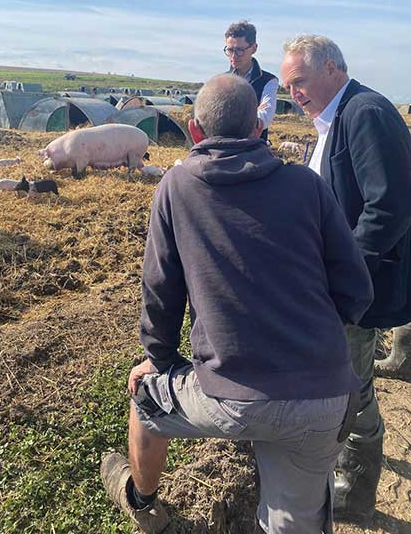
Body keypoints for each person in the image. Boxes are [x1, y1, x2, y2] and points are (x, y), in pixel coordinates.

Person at [101, 74, 374, 534]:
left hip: (233, 397)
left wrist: (159, 361)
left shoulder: (176, 187)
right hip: (324, 393)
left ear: (194, 131)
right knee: (295, 522)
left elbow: (160, 294)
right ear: (257, 130)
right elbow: (356, 292)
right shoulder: (308, 185)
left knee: (145, 400)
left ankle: (143, 504)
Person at [280, 34, 411, 525]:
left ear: (333, 68)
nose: (293, 92)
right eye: (288, 84)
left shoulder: (365, 113)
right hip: (342, 281)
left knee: (350, 384)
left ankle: (355, 487)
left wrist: (344, 270)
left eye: (300, 81)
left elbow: (390, 206)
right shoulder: (336, 117)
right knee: (350, 377)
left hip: (358, 286)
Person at [224, 21, 278, 140]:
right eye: (230, 50)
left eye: (239, 50)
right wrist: (253, 113)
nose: (233, 56)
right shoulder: (222, 81)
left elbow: (265, 117)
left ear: (254, 48)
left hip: (252, 151)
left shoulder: (268, 81)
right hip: (225, 148)